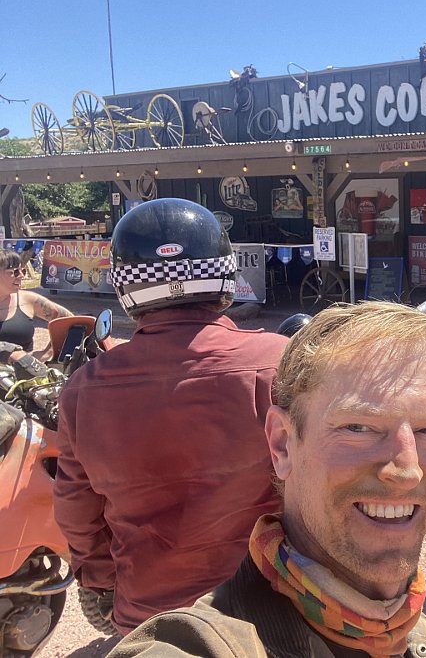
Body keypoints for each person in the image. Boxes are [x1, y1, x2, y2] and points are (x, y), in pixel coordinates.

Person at [110, 300, 426, 658]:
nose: (407, 470)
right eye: (359, 427)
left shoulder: (417, 635)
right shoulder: (208, 645)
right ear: (282, 445)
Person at [54, 198, 288, 634]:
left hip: (150, 622)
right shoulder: (277, 364)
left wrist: (107, 584)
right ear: (224, 271)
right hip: (267, 614)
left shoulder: (83, 389)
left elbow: (76, 512)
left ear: (126, 287)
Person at [0, 248, 73, 368]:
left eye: (22, 270)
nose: (22, 276)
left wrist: (49, 352)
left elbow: (69, 320)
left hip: (24, 380)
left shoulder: (28, 300)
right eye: (14, 272)